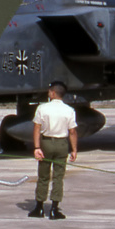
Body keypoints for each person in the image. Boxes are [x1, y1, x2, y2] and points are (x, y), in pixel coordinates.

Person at [31, 82, 78, 219]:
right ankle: (54, 209)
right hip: (62, 144)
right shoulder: (69, 110)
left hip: (46, 143)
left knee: (43, 176)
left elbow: (37, 128)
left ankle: (39, 208)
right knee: (58, 177)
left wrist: (37, 147)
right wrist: (74, 149)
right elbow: (72, 131)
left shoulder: (42, 108)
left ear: (52, 93)